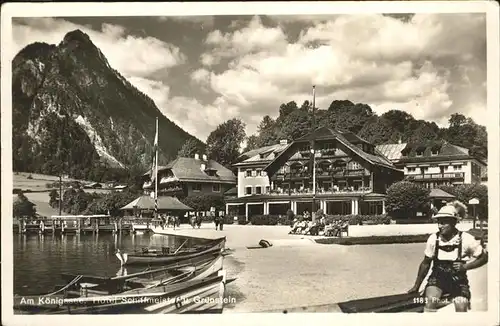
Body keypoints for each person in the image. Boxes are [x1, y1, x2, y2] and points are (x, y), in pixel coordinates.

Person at [407, 201, 488, 312]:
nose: (440, 226)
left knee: (461, 306)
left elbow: (484, 257)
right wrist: (416, 286)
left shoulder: (466, 239)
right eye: (438, 222)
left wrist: (465, 267)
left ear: (453, 222)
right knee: (431, 301)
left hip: (458, 280)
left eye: (444, 223)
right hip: (437, 279)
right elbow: (426, 263)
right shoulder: (433, 239)